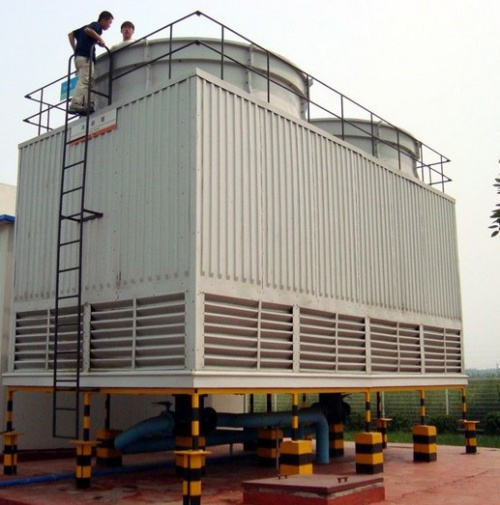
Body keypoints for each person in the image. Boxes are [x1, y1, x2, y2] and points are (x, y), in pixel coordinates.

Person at [68, 11, 114, 115]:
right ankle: (76, 103)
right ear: (104, 20)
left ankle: (87, 103)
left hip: (79, 58)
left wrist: (75, 50)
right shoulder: (96, 26)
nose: (109, 25)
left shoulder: (84, 28)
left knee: (90, 81)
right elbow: (88, 30)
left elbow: (70, 35)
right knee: (85, 80)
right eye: (109, 22)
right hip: (86, 58)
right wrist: (100, 38)